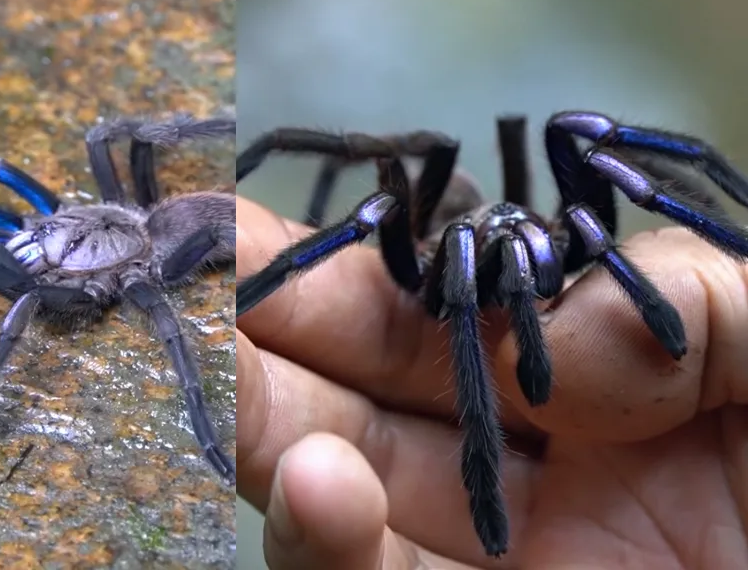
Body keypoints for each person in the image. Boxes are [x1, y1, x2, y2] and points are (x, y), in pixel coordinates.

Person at [236, 194, 748, 569]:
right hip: (447, 255)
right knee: (407, 206)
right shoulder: (453, 248)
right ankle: (243, 300)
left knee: (584, 138)